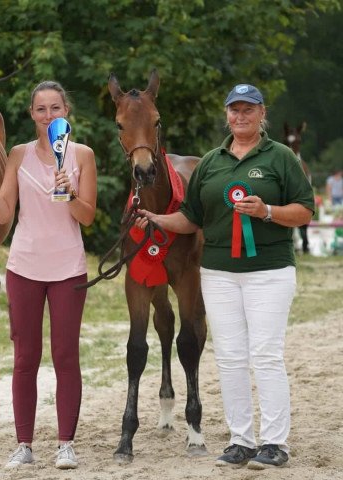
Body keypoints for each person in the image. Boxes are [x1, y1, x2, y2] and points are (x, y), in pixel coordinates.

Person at [134, 84, 314, 470]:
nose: (241, 116)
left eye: (249, 109)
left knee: (265, 355)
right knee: (230, 358)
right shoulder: (211, 162)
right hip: (217, 274)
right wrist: (157, 219)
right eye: (235, 109)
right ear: (226, 114)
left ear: (262, 113)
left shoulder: (281, 157)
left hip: (269, 270)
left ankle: (275, 442)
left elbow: (304, 211)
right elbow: (191, 218)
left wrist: (267, 211)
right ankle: (240, 439)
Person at [0, 80, 97, 469]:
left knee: (65, 355)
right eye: (41, 109)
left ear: (66, 112)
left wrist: (71, 192)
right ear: (31, 114)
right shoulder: (17, 155)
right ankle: (24, 445)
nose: (48, 116)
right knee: (25, 358)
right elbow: (5, 214)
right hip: (24, 266)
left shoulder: (82, 155)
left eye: (55, 109)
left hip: (68, 268)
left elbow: (88, 218)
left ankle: (65, 444)